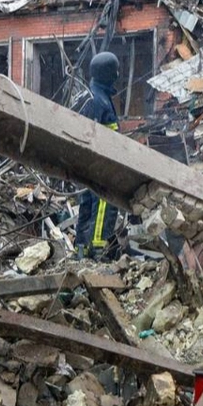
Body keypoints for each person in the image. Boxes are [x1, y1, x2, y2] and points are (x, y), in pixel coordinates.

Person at [73, 52, 124, 260]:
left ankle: (81, 253)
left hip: (91, 167)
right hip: (100, 168)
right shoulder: (97, 100)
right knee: (102, 207)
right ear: (110, 73)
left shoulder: (97, 96)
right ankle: (98, 252)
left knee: (87, 208)